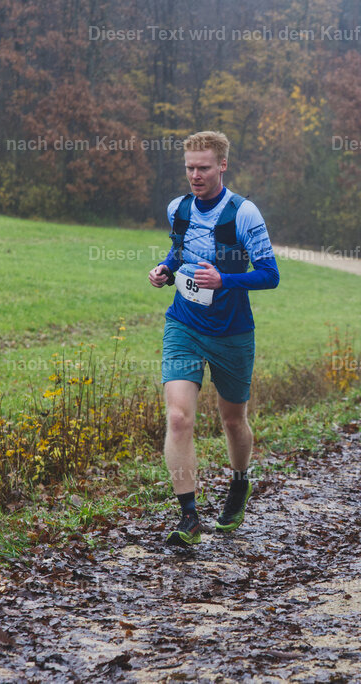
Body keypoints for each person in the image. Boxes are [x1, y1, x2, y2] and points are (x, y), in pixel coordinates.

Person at [148, 130, 280, 547]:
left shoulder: (244, 214)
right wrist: (165, 270)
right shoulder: (178, 209)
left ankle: (239, 482)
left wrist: (225, 279)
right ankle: (189, 515)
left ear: (222, 165)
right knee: (178, 417)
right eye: (189, 168)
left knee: (232, 419)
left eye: (203, 167)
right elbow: (179, 252)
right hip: (184, 325)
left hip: (232, 334)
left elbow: (270, 275)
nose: (195, 175)